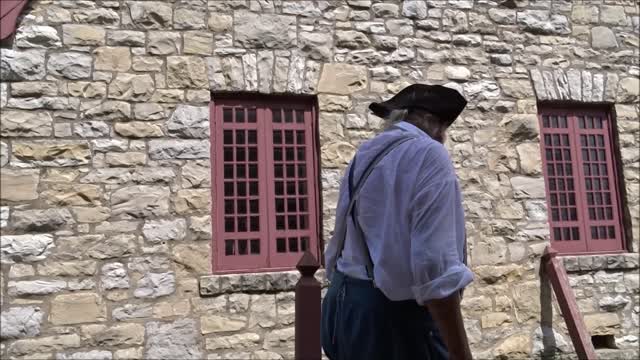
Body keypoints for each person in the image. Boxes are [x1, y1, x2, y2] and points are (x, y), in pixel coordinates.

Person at [321, 84, 474, 360]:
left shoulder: (365, 154)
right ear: (434, 124)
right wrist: (461, 354)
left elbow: (340, 238)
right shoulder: (429, 153)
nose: (443, 138)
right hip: (394, 322)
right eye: (443, 128)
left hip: (346, 309)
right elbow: (434, 266)